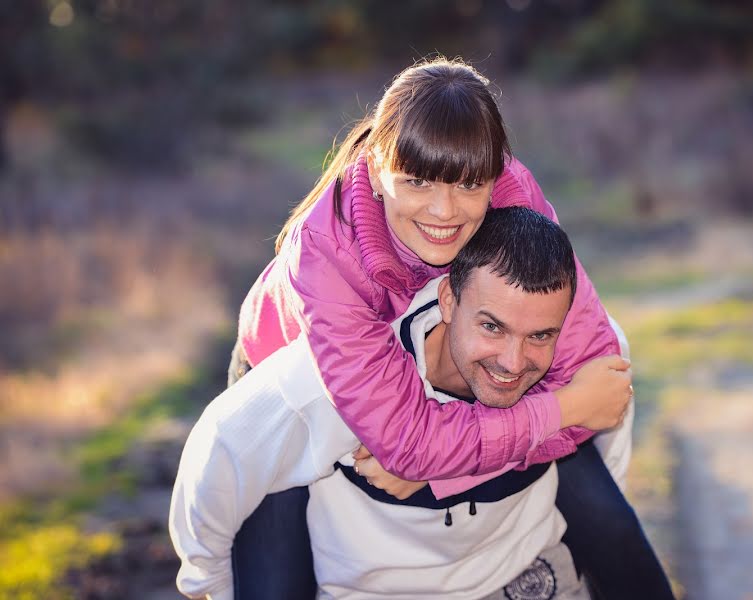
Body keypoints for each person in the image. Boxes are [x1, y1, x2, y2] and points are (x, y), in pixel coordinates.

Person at [227, 57, 674, 597]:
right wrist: (565, 409)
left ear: (496, 172)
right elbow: (408, 444)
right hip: (291, 384)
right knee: (275, 582)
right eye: (415, 181)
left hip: (448, 357)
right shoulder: (326, 257)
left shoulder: (514, 194)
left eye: (467, 185)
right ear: (375, 167)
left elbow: (593, 366)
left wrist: (448, 471)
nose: (444, 212)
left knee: (609, 523)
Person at [171, 208, 659, 599]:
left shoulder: (582, 366)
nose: (514, 361)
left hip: (518, 578)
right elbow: (222, 448)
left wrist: (442, 468)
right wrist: (204, 580)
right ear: (448, 300)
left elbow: (606, 488)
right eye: (491, 326)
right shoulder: (345, 378)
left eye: (540, 335)